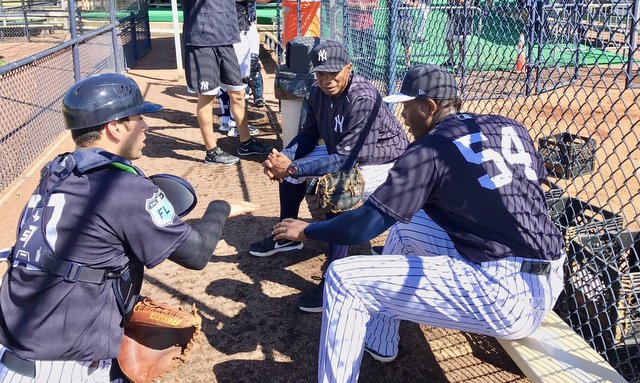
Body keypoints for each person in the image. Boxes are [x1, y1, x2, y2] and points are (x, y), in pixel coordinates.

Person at [273, 64, 566, 382]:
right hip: (549, 278)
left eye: (407, 107)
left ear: (429, 107)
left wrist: (307, 229)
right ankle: (380, 340)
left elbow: (363, 227)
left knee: (345, 280)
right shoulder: (508, 127)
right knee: (404, 228)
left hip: (504, 296)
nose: (403, 117)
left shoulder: (430, 149)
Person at [0, 73, 255, 382]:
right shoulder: (123, 187)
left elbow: (96, 237)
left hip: (15, 348)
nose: (146, 126)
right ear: (115, 126)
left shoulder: (55, 172)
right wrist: (220, 207)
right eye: (139, 118)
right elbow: (197, 253)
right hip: (64, 367)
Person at [250, 40, 409, 313]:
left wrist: (292, 168)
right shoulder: (316, 91)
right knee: (294, 170)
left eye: (333, 72)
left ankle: (333, 277)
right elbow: (309, 135)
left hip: (386, 160)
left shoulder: (363, 97)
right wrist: (285, 157)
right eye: (320, 73)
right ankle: (286, 237)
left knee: (336, 187)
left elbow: (347, 160)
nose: (326, 80)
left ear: (348, 68)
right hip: (346, 152)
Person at [183, 0, 272, 165]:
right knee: (207, 96)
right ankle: (211, 151)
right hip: (201, 41)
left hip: (227, 39)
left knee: (238, 92)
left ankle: (246, 143)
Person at [217, 0, 264, 138]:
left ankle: (227, 120)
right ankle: (235, 124)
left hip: (229, 25)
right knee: (239, 79)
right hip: (237, 27)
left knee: (227, 76)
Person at [347, 0, 377, 77]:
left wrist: (365, 6)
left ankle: (369, 71)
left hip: (368, 24)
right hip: (355, 25)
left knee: (372, 49)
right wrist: (358, 5)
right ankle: (361, 71)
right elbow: (348, 4)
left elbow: (375, 4)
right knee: (358, 51)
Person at [398, 0, 431, 67]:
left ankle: (408, 64)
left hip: (407, 20)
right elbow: (388, 4)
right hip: (395, 19)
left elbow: (417, 4)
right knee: (393, 42)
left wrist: (406, 2)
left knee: (407, 43)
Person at [443, 0, 473, 71]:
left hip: (463, 14)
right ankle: (451, 60)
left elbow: (464, 2)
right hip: (452, 13)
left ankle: (462, 63)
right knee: (448, 38)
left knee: (461, 40)